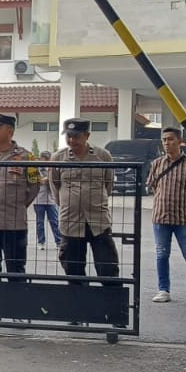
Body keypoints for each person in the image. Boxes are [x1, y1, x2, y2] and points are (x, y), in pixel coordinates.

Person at [147, 126, 186, 305]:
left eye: (171, 139)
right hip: (160, 217)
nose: (167, 143)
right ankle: (163, 289)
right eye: (164, 140)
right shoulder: (157, 164)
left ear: (180, 141)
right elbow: (154, 187)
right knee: (161, 254)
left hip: (184, 219)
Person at [50, 118, 120, 285]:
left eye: (76, 136)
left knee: (107, 268)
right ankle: (79, 308)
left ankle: (109, 308)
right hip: (70, 221)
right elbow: (55, 187)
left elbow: (108, 185)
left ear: (87, 135)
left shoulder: (102, 156)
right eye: (68, 136)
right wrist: (69, 203)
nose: (72, 140)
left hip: (98, 221)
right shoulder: (58, 158)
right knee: (73, 271)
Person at [0, 114, 39, 279]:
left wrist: (18, 204)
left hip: (14, 223)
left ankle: (15, 302)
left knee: (15, 268)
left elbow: (34, 186)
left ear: (10, 131)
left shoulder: (26, 157)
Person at [33, 150, 61, 250]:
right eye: (45, 159)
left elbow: (57, 180)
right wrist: (45, 179)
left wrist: (48, 179)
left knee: (54, 221)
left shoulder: (52, 169)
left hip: (51, 200)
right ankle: (41, 242)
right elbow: (36, 181)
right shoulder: (37, 169)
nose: (47, 161)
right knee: (40, 222)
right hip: (39, 199)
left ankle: (59, 241)